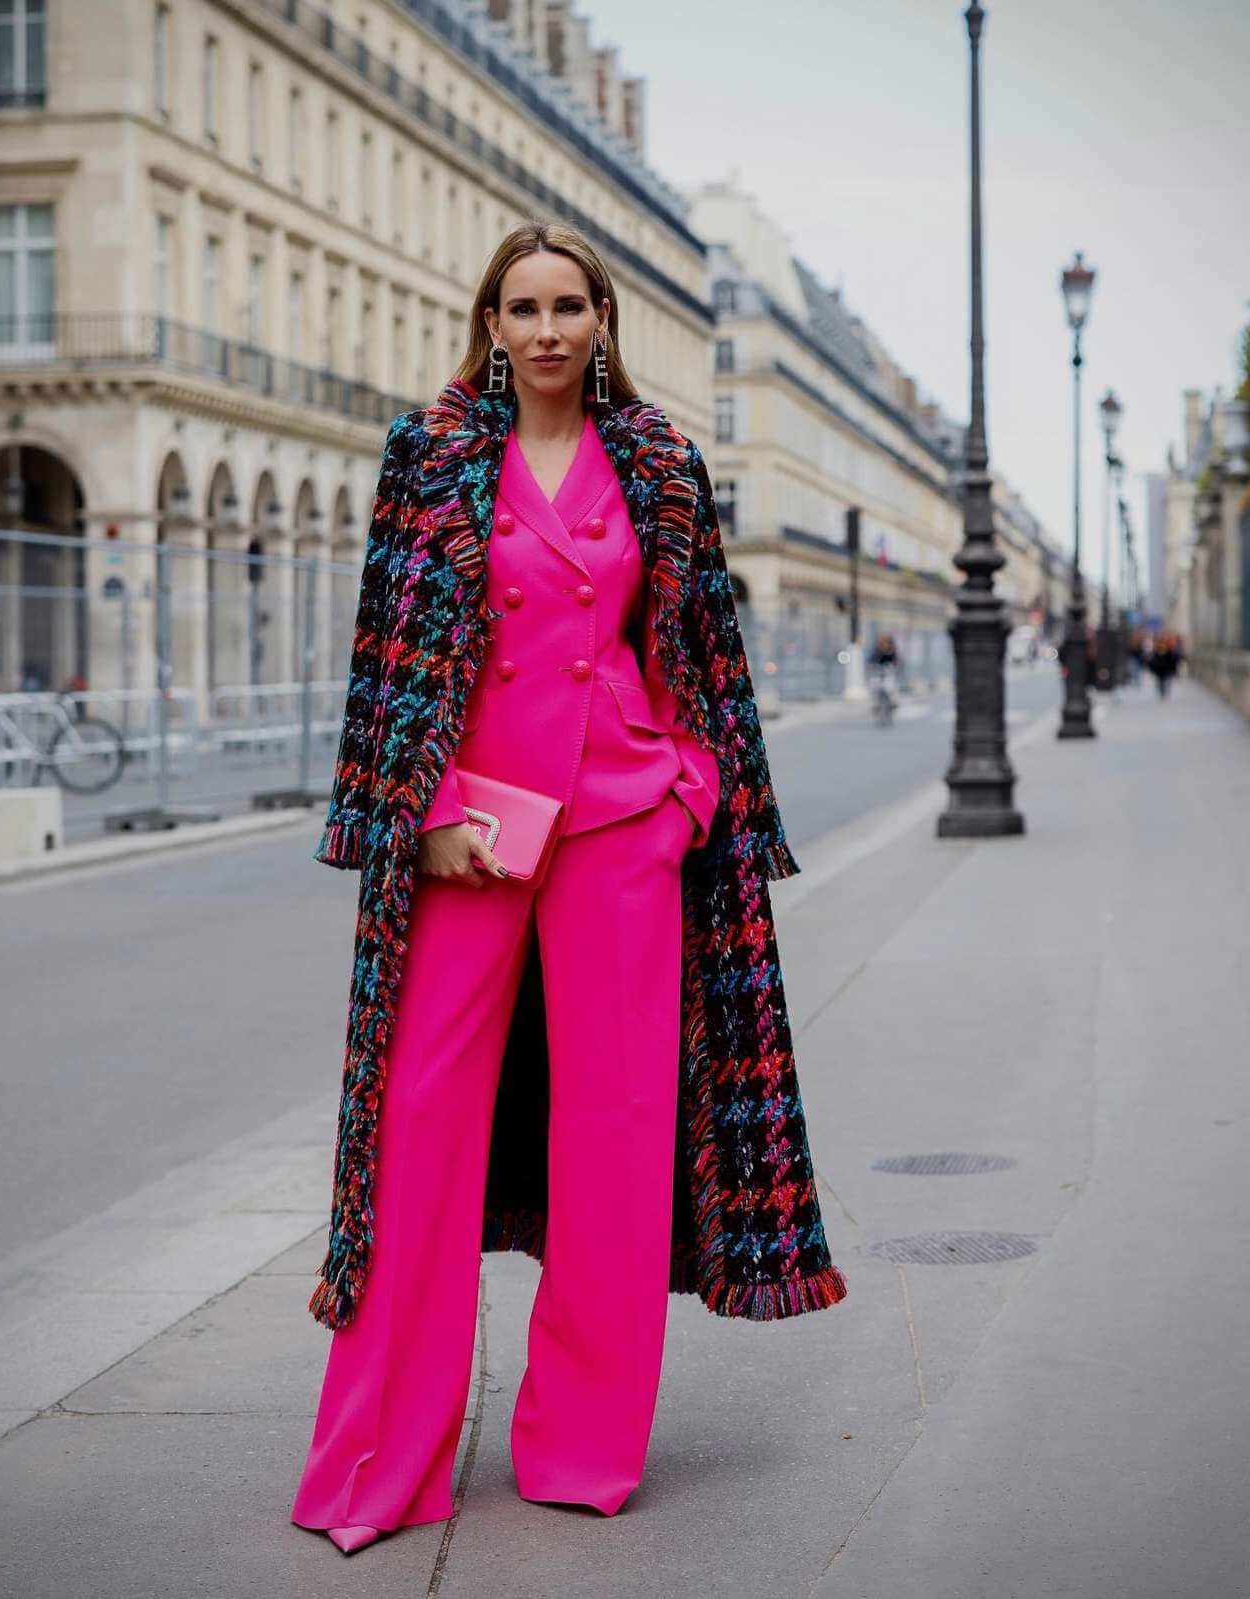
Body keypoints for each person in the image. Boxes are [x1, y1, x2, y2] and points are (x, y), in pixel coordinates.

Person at [290, 223, 847, 1556]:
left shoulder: (659, 463)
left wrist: (690, 792)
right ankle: (383, 1455)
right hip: (466, 834)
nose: (545, 330)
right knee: (419, 1135)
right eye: (521, 307)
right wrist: (415, 814)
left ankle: (583, 1445)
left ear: (602, 323)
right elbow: (388, 659)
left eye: (568, 307)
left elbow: (708, 646)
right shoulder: (427, 458)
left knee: (613, 1137)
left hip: (619, 829)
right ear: (490, 321)